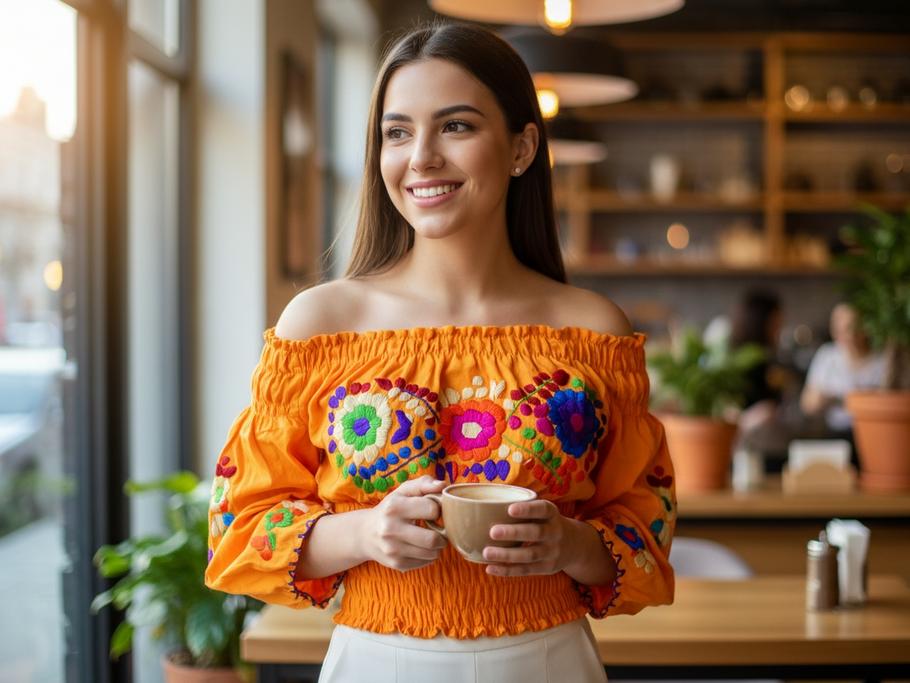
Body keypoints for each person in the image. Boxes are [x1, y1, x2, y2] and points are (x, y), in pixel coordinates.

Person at [205, 22, 676, 683]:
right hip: (374, 662)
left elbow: (647, 529)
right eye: (397, 132)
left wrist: (570, 543)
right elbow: (238, 522)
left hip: (549, 663)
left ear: (521, 147)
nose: (420, 156)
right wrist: (365, 533)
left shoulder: (593, 331)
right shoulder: (319, 324)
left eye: (455, 126)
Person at [800, 302, 887, 432]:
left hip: (874, 430)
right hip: (835, 432)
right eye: (846, 330)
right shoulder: (827, 356)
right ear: (835, 333)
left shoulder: (883, 359)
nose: (851, 336)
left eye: (856, 328)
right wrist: (819, 402)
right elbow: (806, 404)